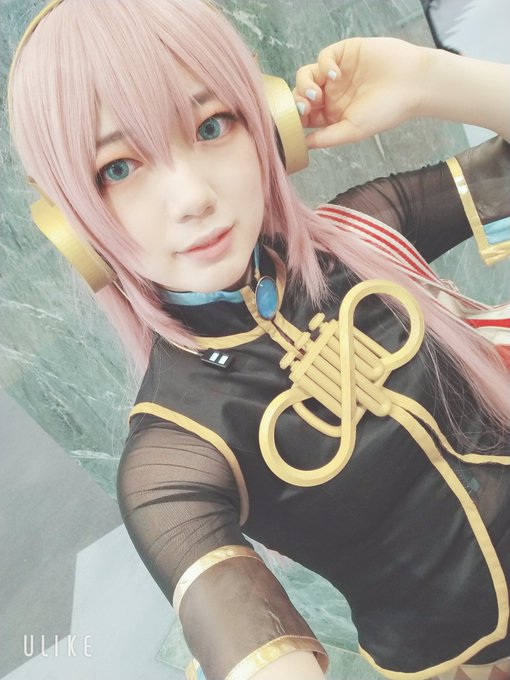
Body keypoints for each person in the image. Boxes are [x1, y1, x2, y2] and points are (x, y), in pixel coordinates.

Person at [7, 1, 510, 679]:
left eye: (212, 125)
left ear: (266, 125)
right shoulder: (176, 452)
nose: (191, 197)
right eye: (118, 168)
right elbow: (250, 648)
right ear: (71, 224)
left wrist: (427, 81)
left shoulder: (366, 233)